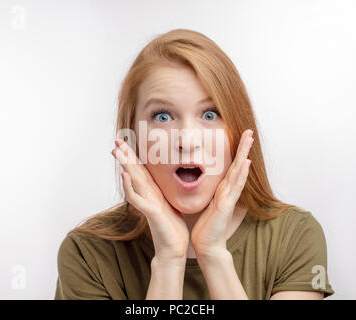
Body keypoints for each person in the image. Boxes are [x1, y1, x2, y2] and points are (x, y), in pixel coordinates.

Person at [54, 28, 335, 300]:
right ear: (133, 136)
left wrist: (213, 254)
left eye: (210, 114)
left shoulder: (295, 237)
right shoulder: (86, 253)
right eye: (163, 116)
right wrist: (168, 260)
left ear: (237, 130)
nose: (187, 141)